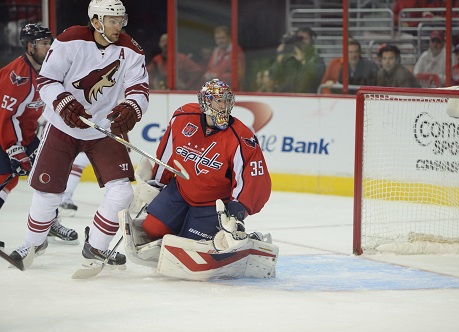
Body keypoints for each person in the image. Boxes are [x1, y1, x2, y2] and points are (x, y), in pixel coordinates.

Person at [9, 0, 149, 268]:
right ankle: (33, 242)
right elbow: (48, 80)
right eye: (113, 20)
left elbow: (139, 89)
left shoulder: (131, 49)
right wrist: (62, 102)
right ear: (96, 20)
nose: (119, 25)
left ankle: (96, 247)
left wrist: (132, 107)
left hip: (103, 128)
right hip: (62, 125)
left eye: (121, 20)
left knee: (121, 192)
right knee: (48, 192)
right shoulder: (69, 39)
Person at [129, 79, 271, 251]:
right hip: (180, 191)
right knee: (152, 229)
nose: (224, 105)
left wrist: (238, 210)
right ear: (206, 101)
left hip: (213, 203)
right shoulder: (183, 117)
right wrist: (157, 183)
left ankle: (246, 239)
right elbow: (167, 154)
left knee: (189, 248)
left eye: (227, 100)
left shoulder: (241, 136)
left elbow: (253, 178)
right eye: (218, 100)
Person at [0, 23, 52, 211]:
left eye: (50, 43)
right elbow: (6, 116)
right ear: (31, 46)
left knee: (48, 176)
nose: (49, 47)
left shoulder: (47, 69)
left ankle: (48, 222)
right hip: (4, 135)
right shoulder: (17, 76)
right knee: (6, 179)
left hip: (26, 135)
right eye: (44, 43)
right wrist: (15, 150)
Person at [268, 27, 326, 93]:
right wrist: (279, 57)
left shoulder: (315, 58)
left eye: (305, 38)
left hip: (307, 98)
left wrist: (302, 60)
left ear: (311, 41)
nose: (302, 41)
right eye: (299, 38)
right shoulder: (288, 57)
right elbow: (272, 76)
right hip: (286, 97)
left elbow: (320, 74)